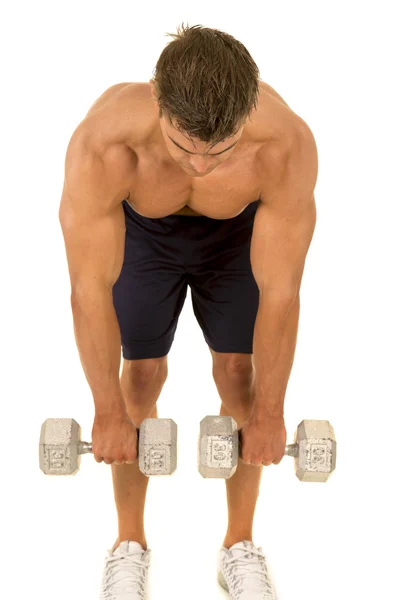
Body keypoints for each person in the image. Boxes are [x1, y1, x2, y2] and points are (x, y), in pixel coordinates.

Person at [59, 23, 318, 600]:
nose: (200, 168)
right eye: (183, 148)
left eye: (219, 151)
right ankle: (129, 547)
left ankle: (239, 547)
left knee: (239, 377)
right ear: (158, 98)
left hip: (236, 237)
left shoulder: (285, 146)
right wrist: (104, 413)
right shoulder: (104, 145)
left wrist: (273, 414)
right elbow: (87, 288)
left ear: (249, 110)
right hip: (143, 237)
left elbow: (281, 291)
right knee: (141, 377)